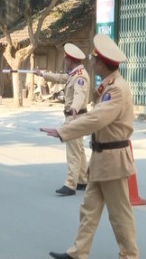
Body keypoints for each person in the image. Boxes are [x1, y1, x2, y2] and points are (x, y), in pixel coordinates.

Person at [40, 34, 139, 259]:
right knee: (89, 210)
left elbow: (96, 119)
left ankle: (129, 255)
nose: (92, 62)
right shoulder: (108, 86)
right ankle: (78, 252)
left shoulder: (117, 90)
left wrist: (64, 130)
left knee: (120, 215)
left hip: (113, 161)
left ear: (101, 64)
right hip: (101, 160)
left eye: (94, 59)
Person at [34, 43, 90, 196]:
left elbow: (80, 94)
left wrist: (75, 108)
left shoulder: (80, 77)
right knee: (79, 149)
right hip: (76, 116)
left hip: (75, 117)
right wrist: (42, 74)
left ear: (71, 61)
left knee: (72, 151)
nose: (64, 61)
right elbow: (60, 78)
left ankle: (70, 184)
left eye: (66, 59)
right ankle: (82, 179)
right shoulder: (74, 73)